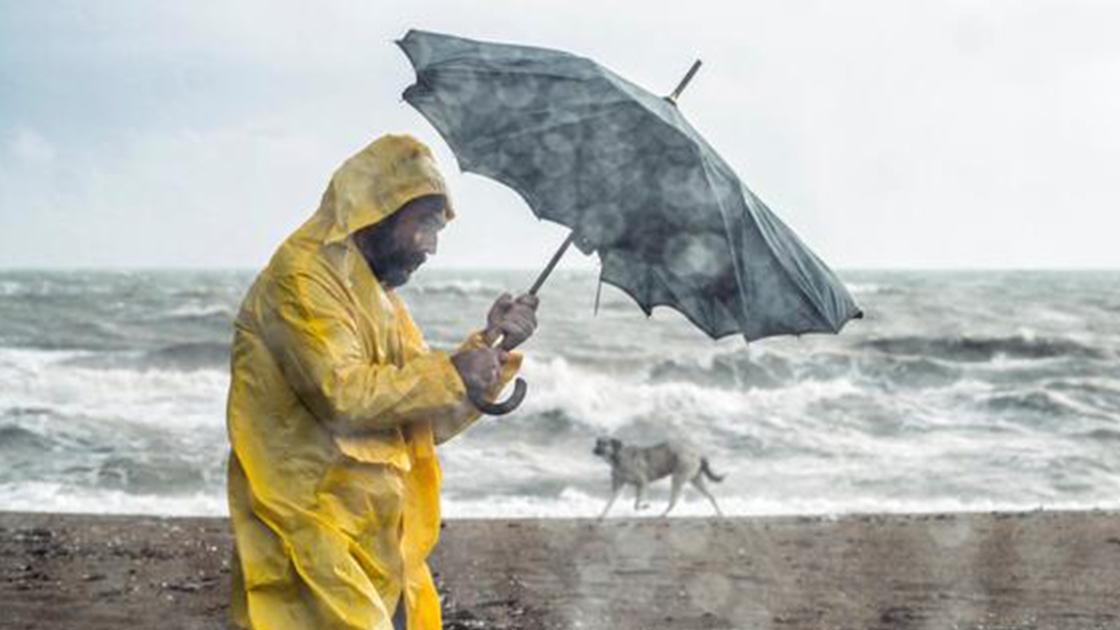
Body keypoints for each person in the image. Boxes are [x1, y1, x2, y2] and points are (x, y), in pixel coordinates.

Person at [226, 134, 538, 630]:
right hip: (309, 524)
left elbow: (420, 418)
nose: (432, 246)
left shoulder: (377, 294)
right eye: (425, 226)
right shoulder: (303, 280)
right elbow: (343, 396)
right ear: (379, 209)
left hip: (375, 535)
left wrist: (489, 352)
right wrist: (454, 373)